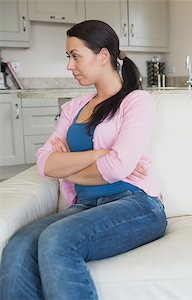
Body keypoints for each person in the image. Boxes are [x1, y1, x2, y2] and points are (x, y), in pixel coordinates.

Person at [0, 20, 167, 300]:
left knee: (56, 240)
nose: (69, 65)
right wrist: (99, 155)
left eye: (75, 56)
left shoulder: (136, 102)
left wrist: (68, 167)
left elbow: (117, 168)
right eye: (69, 57)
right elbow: (44, 163)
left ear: (103, 56)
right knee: (18, 247)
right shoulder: (74, 108)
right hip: (85, 206)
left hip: (136, 203)